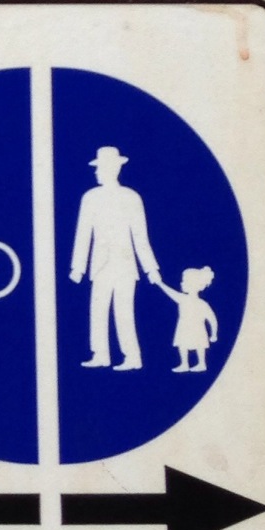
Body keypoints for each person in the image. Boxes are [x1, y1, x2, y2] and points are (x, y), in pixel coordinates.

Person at [69, 144, 160, 371]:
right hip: (100, 264)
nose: (96, 172)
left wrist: (151, 269)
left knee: (124, 312)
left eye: (100, 168)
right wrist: (77, 267)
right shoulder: (90, 197)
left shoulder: (131, 198)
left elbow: (140, 236)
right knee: (98, 310)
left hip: (125, 265)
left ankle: (132, 356)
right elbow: (83, 234)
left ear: (112, 170)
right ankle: (100, 354)